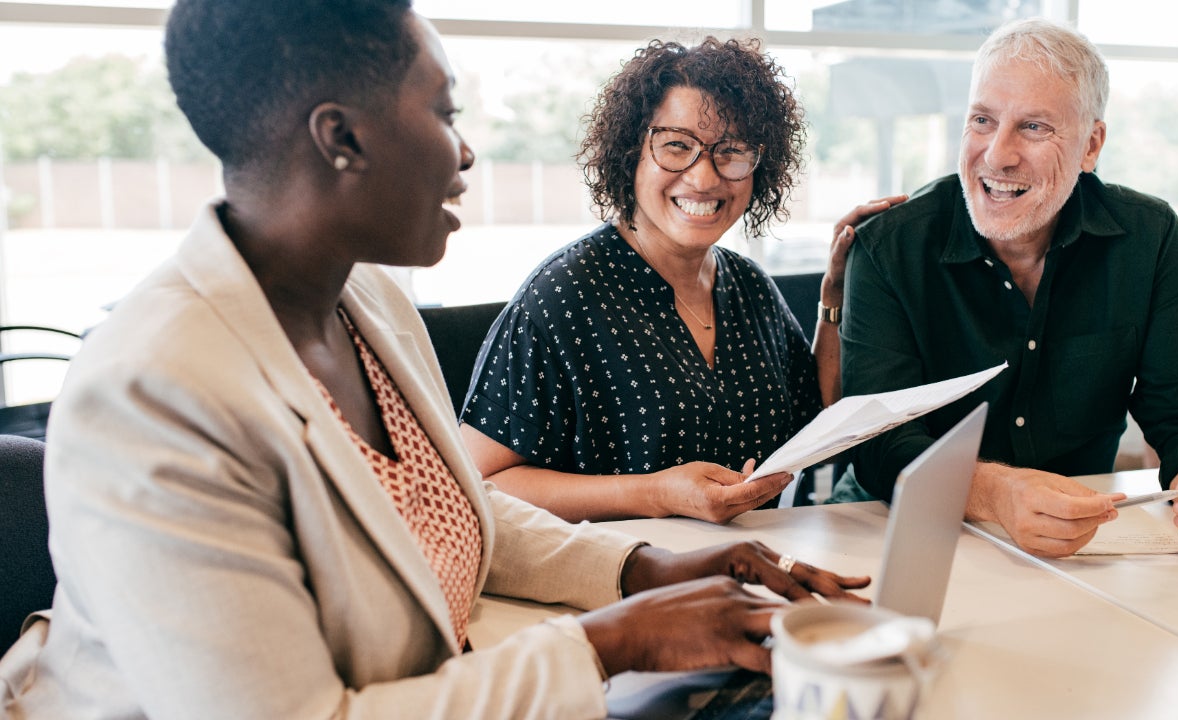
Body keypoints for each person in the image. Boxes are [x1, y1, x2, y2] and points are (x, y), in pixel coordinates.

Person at [0, 3, 873, 718]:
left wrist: (649, 572)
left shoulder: (367, 299)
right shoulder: (153, 390)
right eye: (444, 113)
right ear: (341, 137)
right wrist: (617, 640)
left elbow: (461, 509)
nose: (465, 153)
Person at [830, 17, 1178, 564]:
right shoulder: (889, 247)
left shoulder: (1149, 237)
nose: (997, 155)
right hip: (898, 522)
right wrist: (995, 493)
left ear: (1091, 145)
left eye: (1034, 127)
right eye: (983, 120)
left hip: (1077, 538)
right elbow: (880, 442)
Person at [459, 36, 903, 524]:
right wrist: (655, 494)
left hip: (750, 568)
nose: (705, 178)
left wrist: (834, 295)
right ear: (631, 153)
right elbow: (482, 483)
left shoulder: (748, 286)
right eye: (677, 145)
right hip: (620, 581)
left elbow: (817, 414)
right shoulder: (563, 297)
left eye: (731, 151)